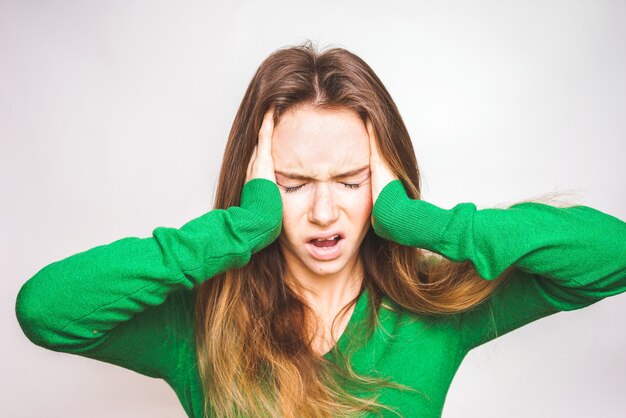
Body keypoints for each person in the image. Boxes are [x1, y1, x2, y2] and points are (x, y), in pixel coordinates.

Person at [15, 42, 626, 418]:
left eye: (352, 181)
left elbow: (612, 256)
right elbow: (46, 310)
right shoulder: (202, 321)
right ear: (255, 183)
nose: (325, 212)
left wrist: (425, 223)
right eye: (294, 184)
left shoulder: (434, 306)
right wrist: (238, 229)